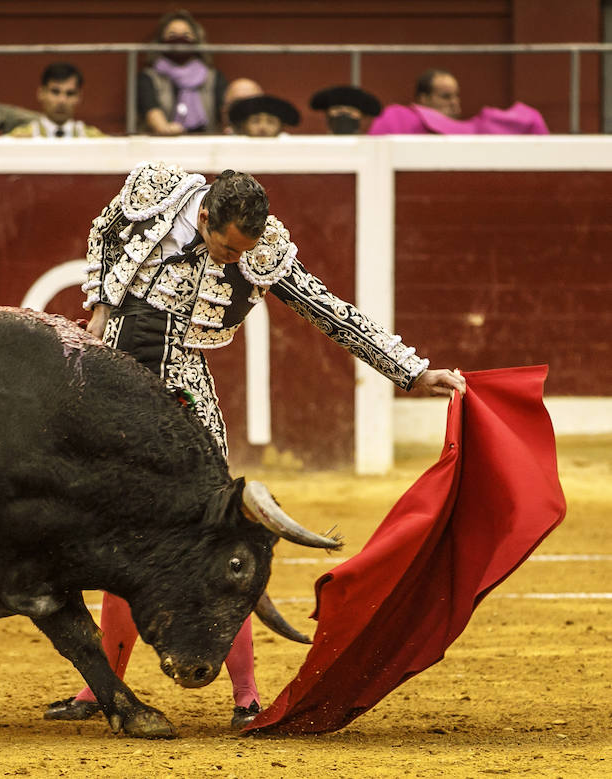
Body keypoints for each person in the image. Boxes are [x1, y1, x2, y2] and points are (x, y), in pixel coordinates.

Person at [43, 161, 466, 730]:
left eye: (243, 251)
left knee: (219, 544)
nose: (232, 260)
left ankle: (246, 696)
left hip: (181, 401)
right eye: (225, 247)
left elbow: (328, 309)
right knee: (121, 540)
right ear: (204, 216)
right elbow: (104, 234)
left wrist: (410, 372)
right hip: (110, 387)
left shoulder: (261, 250)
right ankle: (102, 689)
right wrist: (97, 304)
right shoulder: (153, 190)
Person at [369, 69, 549, 135]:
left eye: (456, 96)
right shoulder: (400, 119)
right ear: (423, 100)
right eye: (446, 97)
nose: (454, 103)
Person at [137, 9, 228, 135]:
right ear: (160, 41)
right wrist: (165, 128)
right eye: (172, 36)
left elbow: (224, 111)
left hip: (207, 143)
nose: (179, 40)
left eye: (186, 36)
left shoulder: (213, 77)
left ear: (197, 40)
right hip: (163, 143)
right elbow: (151, 108)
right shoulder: (149, 77)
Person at [9, 62, 105, 139]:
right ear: (41, 93)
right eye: (55, 92)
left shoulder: (94, 139)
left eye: (70, 93)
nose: (62, 100)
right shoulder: (20, 138)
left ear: (79, 97)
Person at [309, 84, 382, 135]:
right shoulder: (317, 147)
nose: (343, 115)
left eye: (350, 111)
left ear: (361, 116)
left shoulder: (370, 148)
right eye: (337, 110)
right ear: (327, 115)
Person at [226, 95, 300, 137]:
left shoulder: (290, 148)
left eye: (271, 122)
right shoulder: (230, 146)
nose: (263, 127)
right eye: (255, 121)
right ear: (243, 125)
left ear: (281, 127)